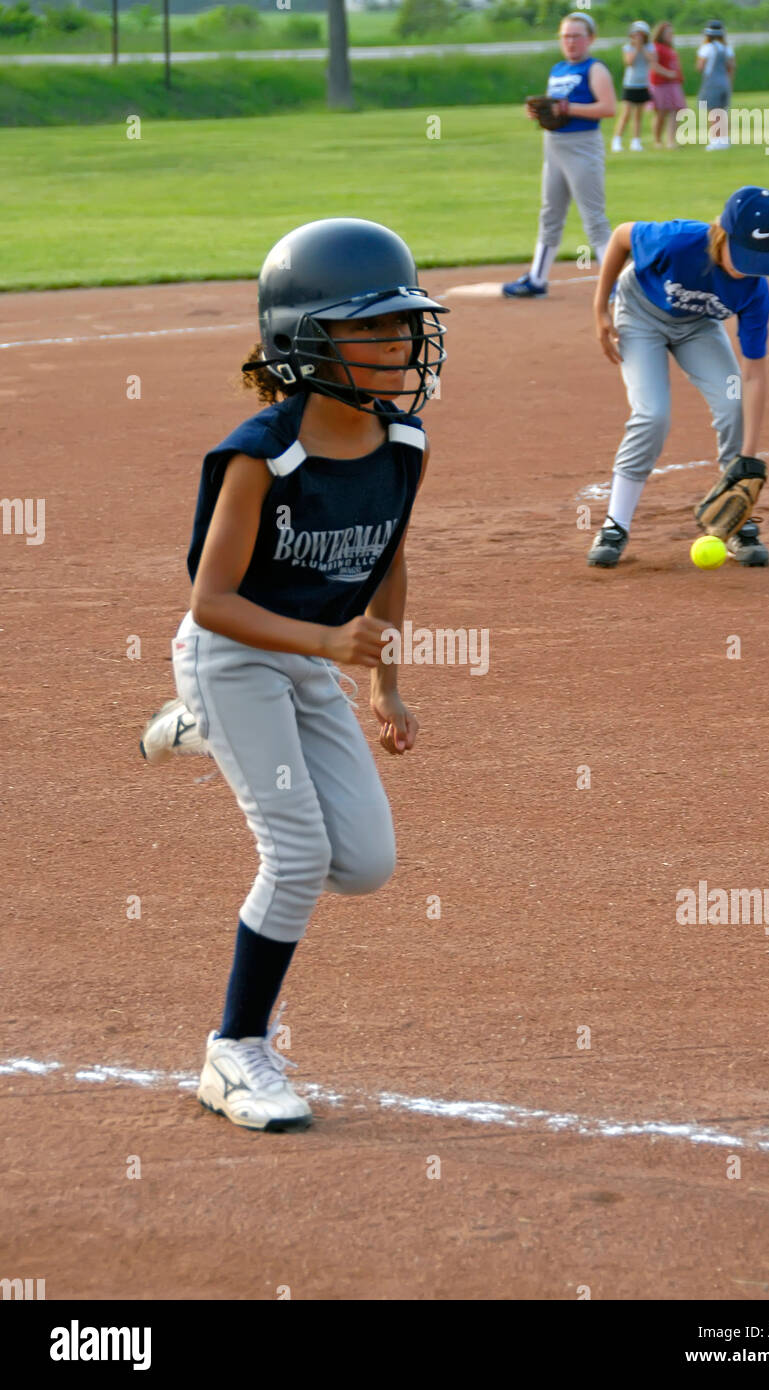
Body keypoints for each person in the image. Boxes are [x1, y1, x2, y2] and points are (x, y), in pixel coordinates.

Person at [140, 218, 448, 1132]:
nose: (399, 345)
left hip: (308, 662)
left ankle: (203, 730)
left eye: (404, 325)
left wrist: (385, 683)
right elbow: (211, 603)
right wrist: (325, 651)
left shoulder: (405, 444)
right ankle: (234, 1053)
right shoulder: (261, 454)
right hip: (234, 653)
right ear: (303, 339)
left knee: (366, 865)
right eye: (372, 327)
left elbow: (388, 561)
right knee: (300, 854)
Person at [587, 186, 769, 569]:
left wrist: (747, 456)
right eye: (743, 254)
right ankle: (614, 524)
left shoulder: (754, 290)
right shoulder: (677, 241)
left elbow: (754, 374)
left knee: (733, 402)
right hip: (640, 313)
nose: (748, 267)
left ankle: (737, 520)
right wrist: (600, 309)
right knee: (653, 414)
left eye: (758, 258)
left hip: (698, 326)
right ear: (722, 233)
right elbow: (619, 237)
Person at [502, 11, 616, 298]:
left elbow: (608, 108)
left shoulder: (595, 69)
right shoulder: (558, 70)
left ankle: (615, 284)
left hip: (583, 145)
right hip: (553, 146)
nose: (571, 41)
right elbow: (553, 108)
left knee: (593, 217)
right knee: (550, 212)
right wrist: (538, 113)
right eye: (565, 36)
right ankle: (537, 279)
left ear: (590, 39)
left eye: (577, 36)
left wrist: (568, 109)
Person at [611, 20, 656, 153]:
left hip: (643, 84)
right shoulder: (628, 48)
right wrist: (637, 48)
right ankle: (617, 140)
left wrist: (642, 48)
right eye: (636, 35)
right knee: (626, 113)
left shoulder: (650, 48)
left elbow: (652, 60)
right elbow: (629, 62)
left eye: (641, 35)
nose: (639, 38)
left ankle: (636, 141)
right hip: (630, 84)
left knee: (638, 115)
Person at [696, 19, 736, 150]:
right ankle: (724, 139)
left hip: (712, 82)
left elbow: (700, 67)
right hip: (724, 81)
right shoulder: (727, 48)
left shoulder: (706, 48)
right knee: (723, 112)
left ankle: (715, 140)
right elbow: (731, 66)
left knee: (713, 112)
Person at [649, 20, 686, 150]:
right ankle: (657, 139)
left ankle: (671, 140)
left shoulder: (670, 49)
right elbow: (653, 65)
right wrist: (667, 73)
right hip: (660, 84)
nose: (671, 35)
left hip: (673, 84)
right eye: (668, 33)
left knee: (676, 111)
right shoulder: (656, 47)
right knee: (660, 113)